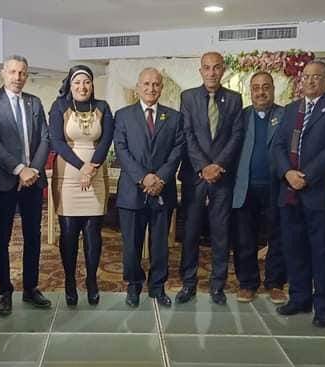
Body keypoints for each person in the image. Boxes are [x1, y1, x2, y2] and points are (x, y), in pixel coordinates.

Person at [272, 61, 325, 327]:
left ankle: (324, 307)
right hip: (289, 192)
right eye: (306, 76)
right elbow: (278, 145)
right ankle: (299, 298)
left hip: (319, 193)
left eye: (316, 76)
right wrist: (288, 173)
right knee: (294, 248)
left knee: (323, 252)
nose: (310, 81)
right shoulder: (291, 109)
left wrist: (306, 176)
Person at [0, 55, 51, 315]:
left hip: (33, 182)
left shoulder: (34, 102)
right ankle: (5, 291)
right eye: (12, 72)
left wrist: (33, 171)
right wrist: (20, 169)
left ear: (27, 75)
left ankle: (31, 288)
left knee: (33, 237)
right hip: (4, 182)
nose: (17, 77)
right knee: (2, 238)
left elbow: (45, 138)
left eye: (22, 73)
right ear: (3, 73)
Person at [177, 51, 243, 305]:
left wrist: (218, 166)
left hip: (222, 177)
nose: (212, 72)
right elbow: (187, 134)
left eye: (216, 67)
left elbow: (236, 135)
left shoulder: (234, 99)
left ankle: (217, 286)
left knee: (220, 233)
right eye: (207, 67)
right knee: (190, 233)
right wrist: (204, 167)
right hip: (195, 176)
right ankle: (188, 283)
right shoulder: (188, 97)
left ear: (223, 70)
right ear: (200, 71)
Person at [114, 68, 184, 307]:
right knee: (131, 245)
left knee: (160, 245)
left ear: (161, 88)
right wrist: (143, 178)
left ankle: (157, 287)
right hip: (132, 191)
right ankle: (133, 286)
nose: (151, 88)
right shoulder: (123, 116)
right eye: (146, 84)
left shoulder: (174, 117)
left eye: (155, 84)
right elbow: (121, 150)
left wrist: (160, 178)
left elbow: (178, 150)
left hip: (163, 190)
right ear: (138, 87)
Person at [49, 65, 113, 305]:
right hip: (68, 177)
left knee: (93, 232)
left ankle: (92, 280)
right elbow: (57, 141)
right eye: (77, 82)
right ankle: (69, 281)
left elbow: (106, 140)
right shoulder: (59, 107)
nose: (82, 87)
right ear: (70, 85)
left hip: (96, 175)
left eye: (86, 82)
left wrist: (92, 167)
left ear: (92, 85)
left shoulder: (103, 107)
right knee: (68, 233)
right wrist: (82, 166)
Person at [231, 71, 286, 303]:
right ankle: (247, 283)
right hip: (245, 187)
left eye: (265, 87)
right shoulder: (242, 117)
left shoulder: (285, 115)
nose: (261, 92)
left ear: (273, 89)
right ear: (250, 91)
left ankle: (275, 283)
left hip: (277, 186)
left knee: (278, 237)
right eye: (256, 88)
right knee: (244, 238)